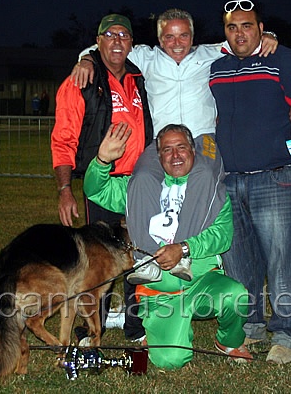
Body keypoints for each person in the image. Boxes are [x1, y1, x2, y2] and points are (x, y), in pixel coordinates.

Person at [71, 9, 278, 259]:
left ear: (193, 37)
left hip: (202, 139)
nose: (176, 43)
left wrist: (269, 34)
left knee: (203, 174)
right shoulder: (146, 57)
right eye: (169, 37)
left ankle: (181, 251)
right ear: (159, 39)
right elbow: (102, 50)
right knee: (142, 178)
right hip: (162, 142)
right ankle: (146, 257)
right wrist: (86, 60)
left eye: (183, 36)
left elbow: (244, 40)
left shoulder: (210, 53)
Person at [209, 0, 291, 365]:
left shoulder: (285, 60)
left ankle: (287, 334)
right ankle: (249, 327)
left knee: (283, 259)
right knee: (237, 261)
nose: (240, 34)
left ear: (261, 28)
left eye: (247, 26)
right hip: (230, 180)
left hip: (277, 177)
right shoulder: (217, 68)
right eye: (232, 27)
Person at [84, 122, 251, 369]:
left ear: (194, 151)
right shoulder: (139, 187)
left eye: (181, 148)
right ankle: (163, 331)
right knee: (171, 361)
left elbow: (222, 236)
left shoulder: (212, 189)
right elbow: (95, 190)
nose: (175, 155)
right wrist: (101, 161)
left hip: (201, 282)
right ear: (158, 155)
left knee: (236, 296)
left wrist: (184, 248)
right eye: (167, 150)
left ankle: (228, 341)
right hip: (159, 293)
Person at [50, 13, 153, 342]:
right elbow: (63, 139)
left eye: (124, 35)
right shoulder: (81, 81)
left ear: (132, 44)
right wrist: (65, 190)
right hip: (103, 181)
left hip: (139, 182)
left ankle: (135, 326)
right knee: (100, 259)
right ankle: (91, 326)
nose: (118, 41)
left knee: (138, 254)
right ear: (98, 42)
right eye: (110, 35)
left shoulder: (139, 78)